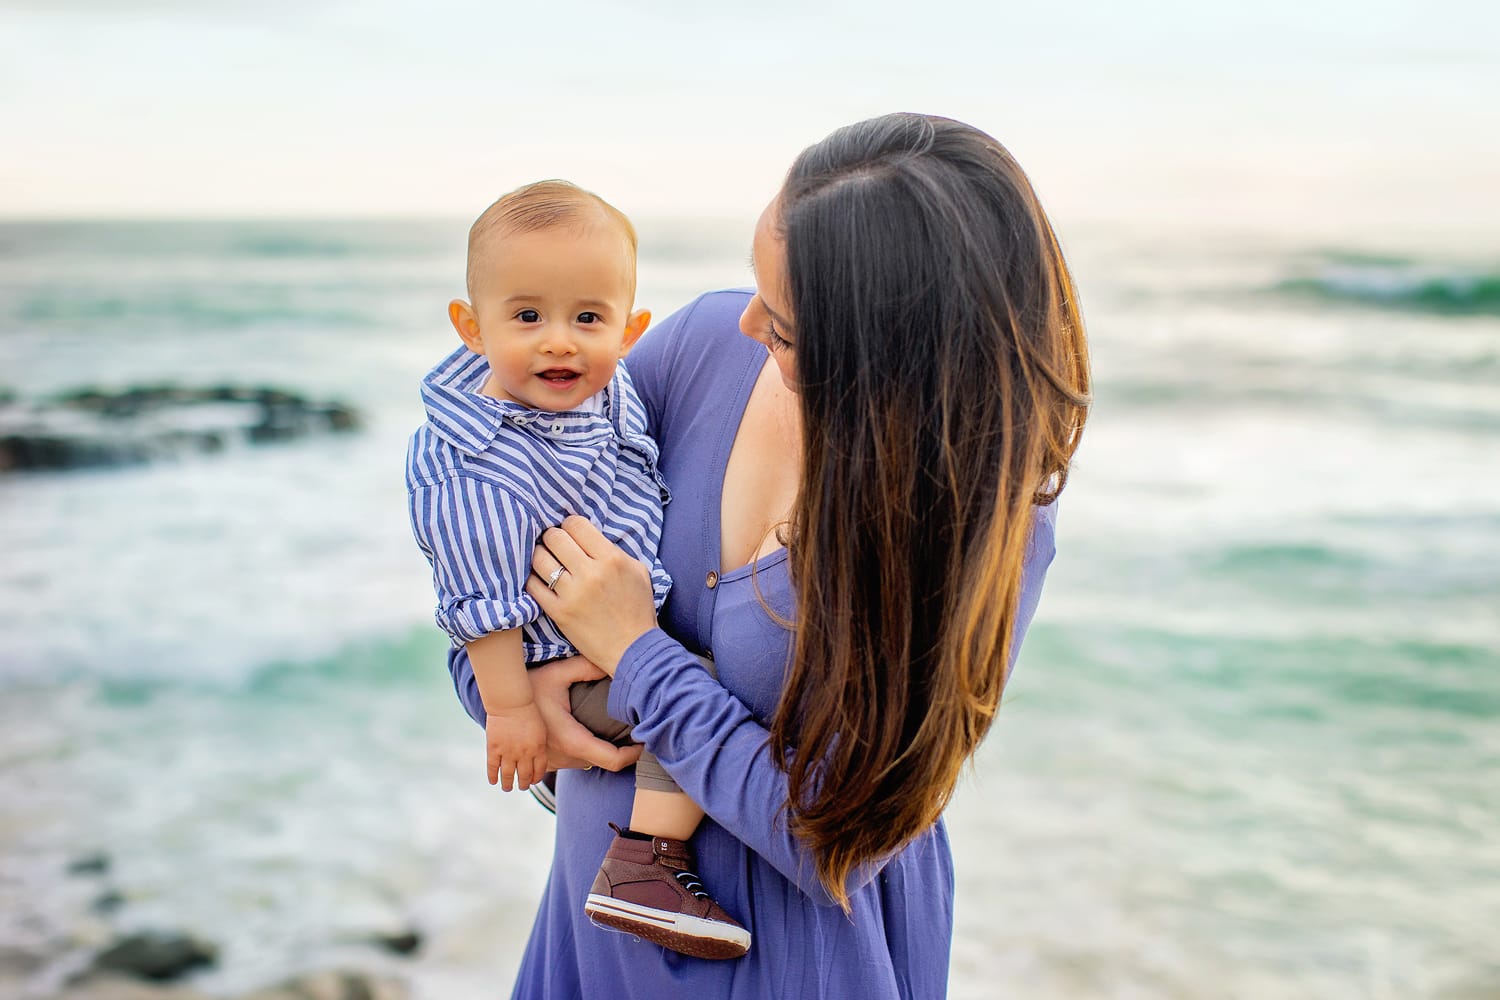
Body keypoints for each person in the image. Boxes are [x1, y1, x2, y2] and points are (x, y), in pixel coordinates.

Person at [456, 113, 1091, 998]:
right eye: (756, 285)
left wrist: (638, 655)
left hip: (793, 963)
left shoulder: (979, 521)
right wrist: (505, 698)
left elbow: (832, 838)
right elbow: (488, 530)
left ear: (886, 351)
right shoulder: (700, 350)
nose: (748, 320)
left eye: (787, 320)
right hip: (591, 931)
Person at [405, 180, 751, 960]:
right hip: (549, 655)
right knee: (691, 691)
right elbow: (479, 602)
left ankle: (590, 802)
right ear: (471, 328)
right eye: (526, 317)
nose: (559, 341)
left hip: (608, 630)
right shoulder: (475, 462)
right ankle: (643, 867)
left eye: (587, 318)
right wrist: (513, 713)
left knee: (684, 685)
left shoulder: (607, 391)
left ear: (631, 332)